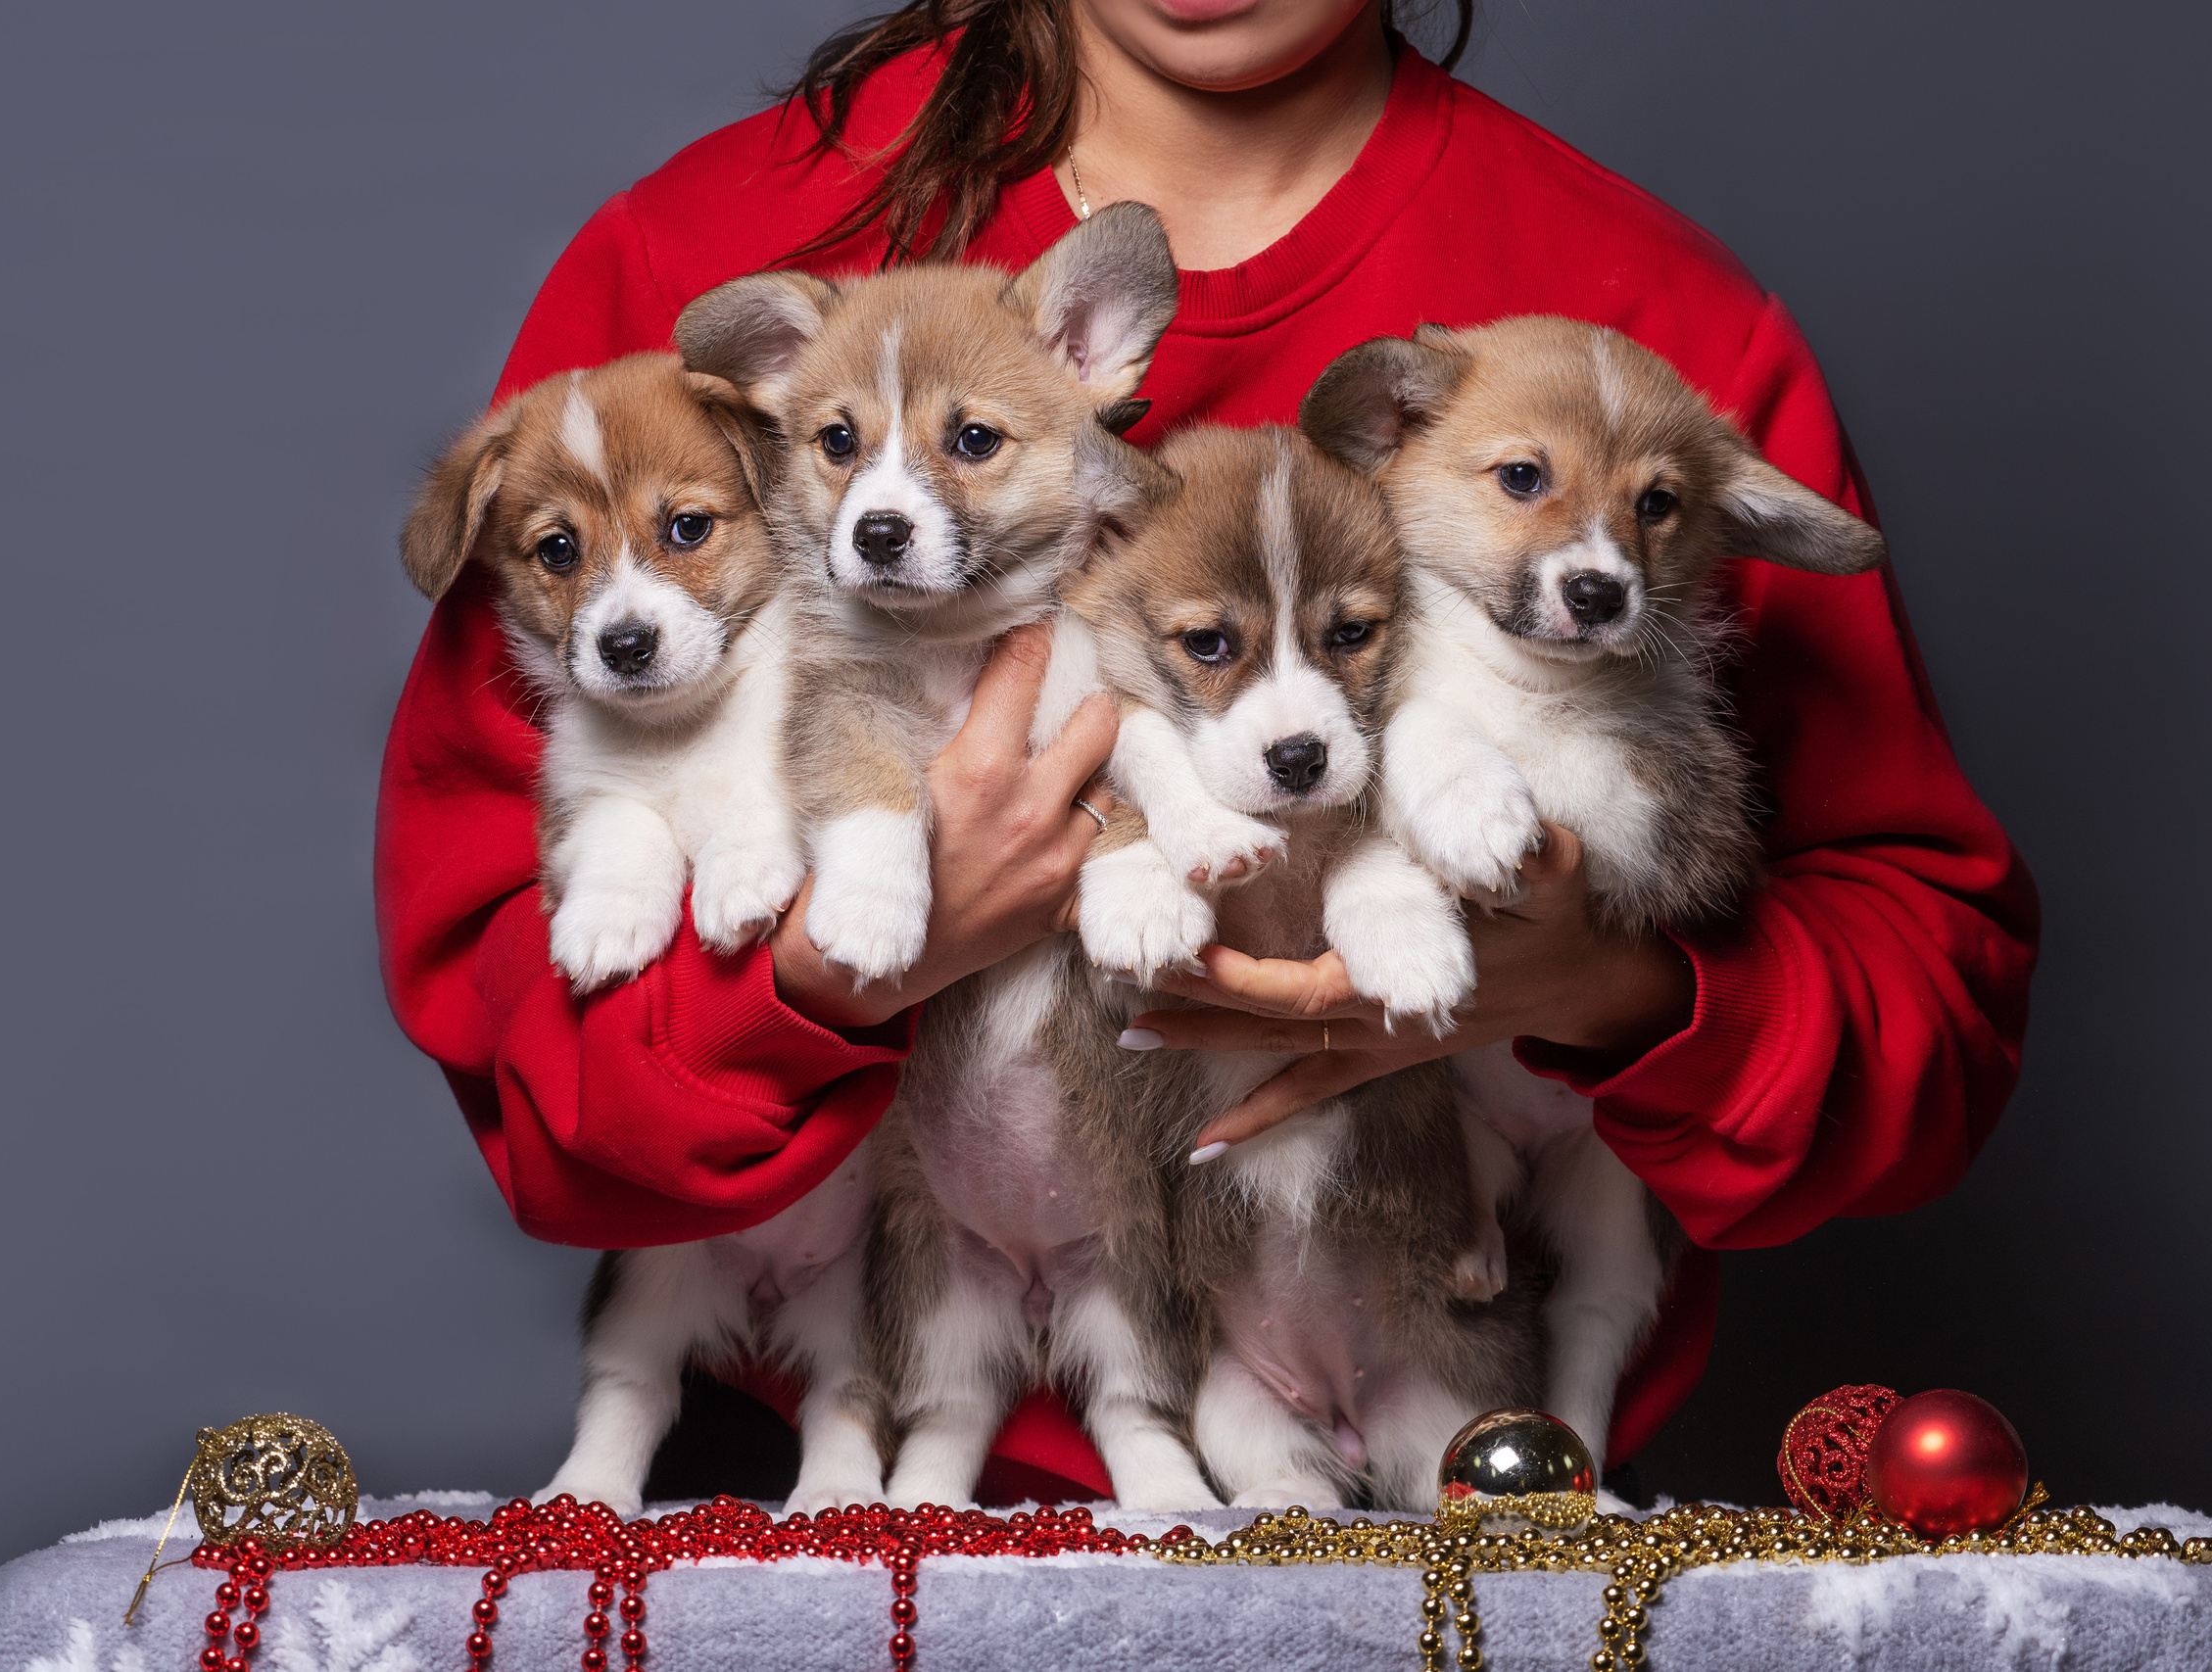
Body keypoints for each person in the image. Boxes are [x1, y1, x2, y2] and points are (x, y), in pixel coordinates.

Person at [375, 0, 2038, 1501]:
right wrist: (836, 966)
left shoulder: (1643, 329)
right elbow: (526, 1050)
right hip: (877, 1476)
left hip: (1469, 1463)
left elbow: (1930, 1015)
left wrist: (1599, 991)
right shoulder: (716, 258)